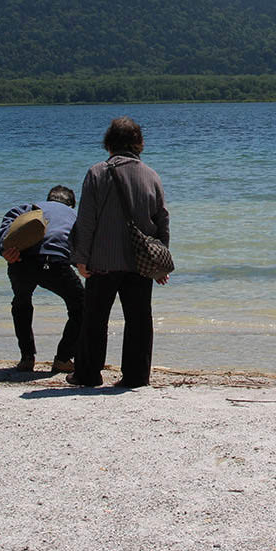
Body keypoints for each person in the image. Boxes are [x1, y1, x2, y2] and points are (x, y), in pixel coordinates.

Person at [68, 116, 170, 389]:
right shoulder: (151, 175)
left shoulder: (97, 173)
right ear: (139, 144)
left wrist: (80, 257)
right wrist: (160, 263)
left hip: (102, 260)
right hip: (139, 262)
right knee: (139, 319)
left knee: (95, 319)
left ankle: (88, 375)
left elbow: (86, 220)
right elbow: (162, 220)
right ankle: (136, 377)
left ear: (108, 143)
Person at [0, 185, 84, 374]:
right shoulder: (74, 215)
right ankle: (63, 358)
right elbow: (80, 245)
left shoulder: (30, 208)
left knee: (21, 302)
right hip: (54, 261)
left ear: (48, 199)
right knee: (81, 306)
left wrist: (4, 250)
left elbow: (9, 222)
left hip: (21, 262)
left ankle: (27, 358)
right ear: (71, 204)